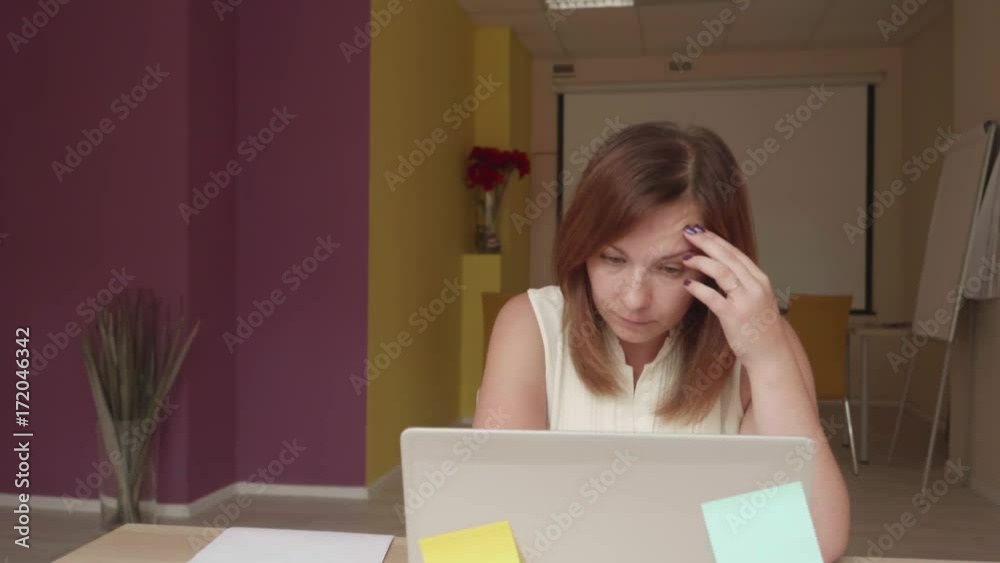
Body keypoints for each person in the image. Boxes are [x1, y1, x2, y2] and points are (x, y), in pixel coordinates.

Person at [472, 121, 850, 562]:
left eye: (670, 269)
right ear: (581, 247)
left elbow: (815, 541)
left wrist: (767, 359)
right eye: (612, 258)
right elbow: (490, 528)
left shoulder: (762, 342)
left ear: (719, 262)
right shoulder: (530, 325)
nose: (634, 298)